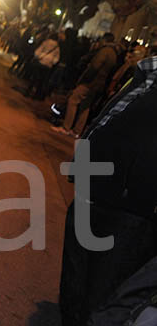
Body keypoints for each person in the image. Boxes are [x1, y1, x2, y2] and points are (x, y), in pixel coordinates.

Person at [58, 55, 157, 325]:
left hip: (136, 208)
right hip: (94, 187)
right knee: (76, 272)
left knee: (104, 290)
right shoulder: (146, 71)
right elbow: (105, 119)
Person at [53, 32, 121, 137]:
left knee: (73, 100)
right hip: (99, 84)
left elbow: (95, 66)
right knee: (85, 106)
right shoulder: (114, 53)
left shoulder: (105, 51)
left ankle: (66, 127)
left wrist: (84, 78)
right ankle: (77, 131)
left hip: (91, 82)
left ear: (105, 40)